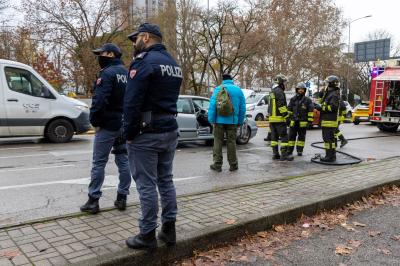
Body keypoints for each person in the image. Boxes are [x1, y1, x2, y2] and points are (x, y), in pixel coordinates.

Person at [124, 23, 182, 249]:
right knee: (166, 181)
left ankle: (147, 235)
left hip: (146, 133)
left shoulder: (143, 62)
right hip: (169, 128)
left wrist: (128, 134)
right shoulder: (173, 63)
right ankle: (169, 230)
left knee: (146, 185)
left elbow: (131, 103)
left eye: (136, 38)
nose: (134, 43)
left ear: (146, 37)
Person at [80, 43, 131, 214]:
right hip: (123, 124)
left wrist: (95, 120)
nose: (98, 57)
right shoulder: (127, 73)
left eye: (100, 54)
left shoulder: (107, 74)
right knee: (123, 160)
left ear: (110, 54)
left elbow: (99, 100)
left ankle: (93, 201)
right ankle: (122, 198)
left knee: (98, 163)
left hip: (108, 124)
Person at [208, 74, 246, 172]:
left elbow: (212, 105)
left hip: (219, 121)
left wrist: (211, 119)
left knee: (218, 142)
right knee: (231, 142)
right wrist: (240, 121)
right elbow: (242, 108)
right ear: (231, 80)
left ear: (223, 80)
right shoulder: (238, 90)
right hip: (232, 121)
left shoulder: (218, 89)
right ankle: (233, 165)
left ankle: (217, 165)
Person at [268, 74, 293, 161]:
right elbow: (281, 106)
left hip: (272, 119)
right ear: (281, 83)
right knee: (284, 137)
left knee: (274, 138)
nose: (285, 85)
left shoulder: (272, 91)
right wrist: (287, 117)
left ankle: (275, 154)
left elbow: (270, 106)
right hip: (279, 119)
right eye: (284, 83)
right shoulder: (279, 92)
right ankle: (284, 154)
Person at [318, 75, 341, 162]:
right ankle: (331, 156)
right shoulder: (330, 93)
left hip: (329, 121)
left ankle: (329, 157)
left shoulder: (334, 94)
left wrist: (321, 108)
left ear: (331, 84)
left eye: (327, 83)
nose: (326, 85)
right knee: (329, 140)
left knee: (328, 140)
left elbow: (333, 108)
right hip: (327, 120)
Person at [287, 82, 314, 156]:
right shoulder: (293, 99)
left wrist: (310, 121)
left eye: (302, 89)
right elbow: (289, 109)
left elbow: (310, 111)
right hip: (293, 122)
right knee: (291, 137)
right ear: (297, 90)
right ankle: (289, 150)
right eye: (299, 89)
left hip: (303, 123)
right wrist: (288, 119)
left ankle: (299, 151)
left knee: (301, 138)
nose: (300, 90)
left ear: (304, 90)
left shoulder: (307, 100)